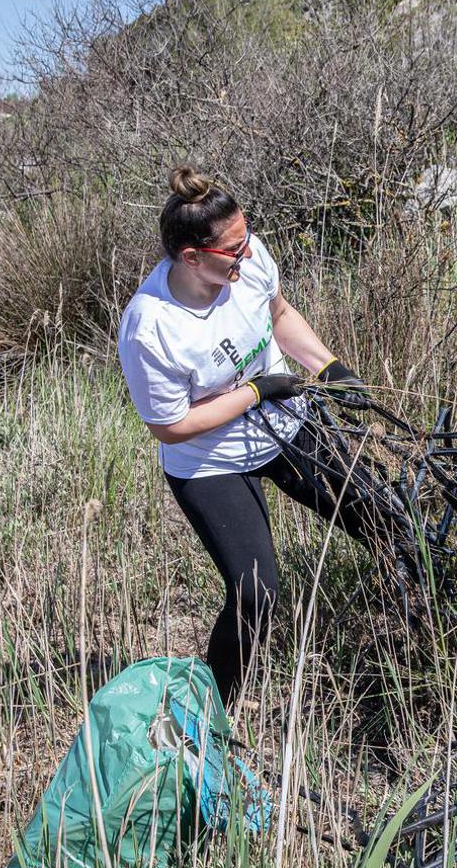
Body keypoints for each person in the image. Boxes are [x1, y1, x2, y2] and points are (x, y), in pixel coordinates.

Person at [118, 166, 368, 702]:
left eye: (248, 236)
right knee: (256, 593)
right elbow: (171, 426)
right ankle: (216, 710)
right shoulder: (152, 325)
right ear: (191, 257)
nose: (249, 253)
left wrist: (329, 368)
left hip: (284, 427)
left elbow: (278, 313)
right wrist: (254, 392)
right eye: (233, 248)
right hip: (211, 462)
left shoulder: (246, 262)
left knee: (381, 516)